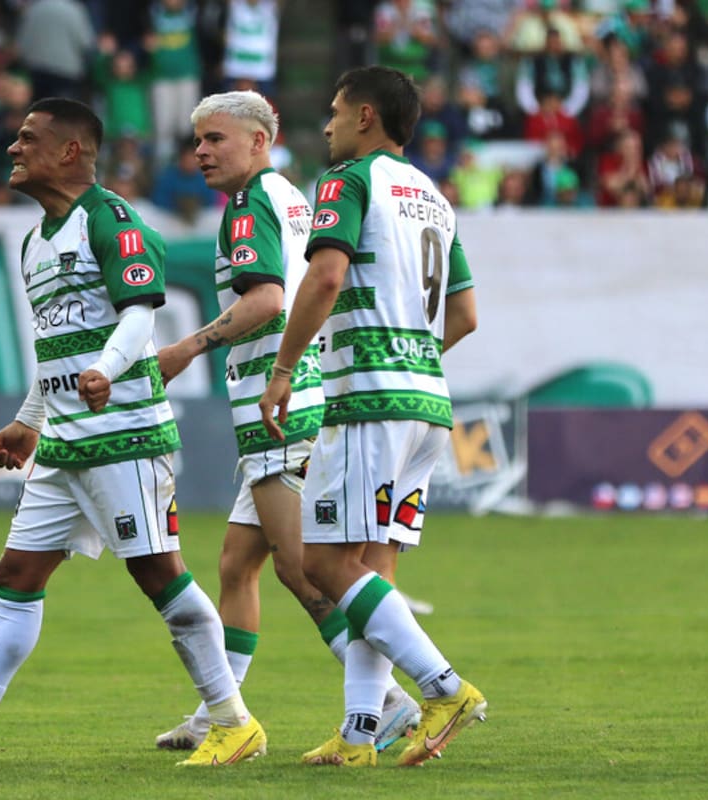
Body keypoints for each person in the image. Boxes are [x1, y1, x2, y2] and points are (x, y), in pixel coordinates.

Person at [0, 97, 266, 768]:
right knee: (18, 571)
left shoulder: (112, 221)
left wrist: (107, 370)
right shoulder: (35, 241)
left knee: (158, 574)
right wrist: (29, 422)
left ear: (69, 152)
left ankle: (235, 723)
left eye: (28, 137)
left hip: (124, 432)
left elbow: (142, 313)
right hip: (65, 439)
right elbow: (55, 346)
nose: (12, 148)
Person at [152, 89, 421, 755]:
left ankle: (391, 698)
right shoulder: (293, 199)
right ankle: (223, 710)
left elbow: (268, 299)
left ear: (258, 142)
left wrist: (187, 347)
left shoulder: (248, 206)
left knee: (309, 570)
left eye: (217, 139)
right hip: (299, 400)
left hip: (279, 412)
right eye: (199, 141)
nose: (202, 152)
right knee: (239, 565)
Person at [258, 65, 486, 768]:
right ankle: (359, 735)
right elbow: (467, 315)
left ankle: (445, 688)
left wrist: (286, 367)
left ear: (364, 117)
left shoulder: (349, 181)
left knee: (321, 562)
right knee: (370, 569)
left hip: (368, 403)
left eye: (334, 112)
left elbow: (325, 276)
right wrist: (411, 355)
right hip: (427, 403)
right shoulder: (435, 199)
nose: (325, 124)